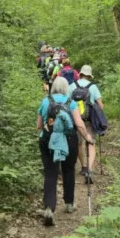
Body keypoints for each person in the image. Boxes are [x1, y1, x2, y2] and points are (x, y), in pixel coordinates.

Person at [37, 77, 93, 226]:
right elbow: (79, 124)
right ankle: (69, 204)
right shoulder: (71, 102)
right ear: (66, 88)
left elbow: (39, 125)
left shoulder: (45, 101)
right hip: (69, 140)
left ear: (53, 87)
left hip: (49, 139)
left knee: (50, 173)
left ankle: (49, 208)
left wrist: (45, 135)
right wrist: (87, 137)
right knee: (68, 170)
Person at [69, 65, 104, 183]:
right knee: (91, 142)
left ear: (80, 74)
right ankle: (89, 169)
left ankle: (83, 167)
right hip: (89, 119)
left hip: (76, 119)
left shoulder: (72, 85)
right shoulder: (93, 87)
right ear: (89, 75)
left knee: (79, 143)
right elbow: (100, 105)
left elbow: (67, 102)